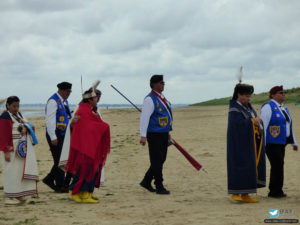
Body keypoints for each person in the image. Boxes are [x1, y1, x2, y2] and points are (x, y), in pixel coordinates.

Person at [66, 82, 110, 203]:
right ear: (90, 100)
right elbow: (87, 127)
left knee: (93, 169)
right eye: (95, 98)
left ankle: (88, 192)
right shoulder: (83, 111)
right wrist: (104, 126)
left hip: (91, 145)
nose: (97, 99)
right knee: (85, 170)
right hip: (85, 146)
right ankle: (78, 192)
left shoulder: (91, 110)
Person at [227, 83, 266, 203]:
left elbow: (255, 119)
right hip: (238, 144)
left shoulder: (248, 107)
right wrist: (251, 122)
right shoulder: (234, 109)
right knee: (239, 166)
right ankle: (235, 192)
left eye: (249, 96)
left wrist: (258, 121)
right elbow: (236, 125)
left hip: (250, 142)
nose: (248, 99)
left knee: (250, 166)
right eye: (246, 96)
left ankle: (246, 194)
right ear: (239, 95)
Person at [0, 96, 39, 205]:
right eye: (14, 106)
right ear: (7, 105)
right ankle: (9, 196)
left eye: (18, 106)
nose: (16, 108)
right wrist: (6, 151)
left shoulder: (19, 115)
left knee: (18, 172)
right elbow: (3, 135)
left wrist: (26, 128)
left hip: (20, 150)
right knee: (10, 171)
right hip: (11, 148)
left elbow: (30, 125)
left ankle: (18, 194)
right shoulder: (5, 116)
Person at [261, 86, 298, 198]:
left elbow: (288, 127)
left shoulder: (284, 108)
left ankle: (277, 190)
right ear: (273, 95)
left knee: (279, 165)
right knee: (277, 165)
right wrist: (263, 143)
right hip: (271, 142)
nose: (283, 94)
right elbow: (264, 126)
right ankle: (274, 191)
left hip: (282, 141)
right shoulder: (268, 107)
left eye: (284, 92)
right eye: (281, 93)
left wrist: (293, 142)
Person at [140, 74, 173, 195]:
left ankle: (146, 180)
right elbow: (144, 118)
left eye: (163, 82)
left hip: (163, 133)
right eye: (161, 82)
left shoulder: (161, 97)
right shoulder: (149, 99)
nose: (163, 84)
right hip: (154, 134)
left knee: (161, 159)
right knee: (157, 160)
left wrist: (168, 131)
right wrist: (143, 135)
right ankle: (159, 185)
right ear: (154, 84)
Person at [43, 82, 72, 193]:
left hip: (63, 134)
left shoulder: (64, 102)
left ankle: (50, 179)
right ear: (62, 90)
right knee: (59, 160)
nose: (68, 94)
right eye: (67, 92)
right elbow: (50, 120)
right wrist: (53, 136)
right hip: (55, 133)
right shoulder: (53, 101)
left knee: (61, 159)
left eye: (70, 92)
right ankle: (58, 184)